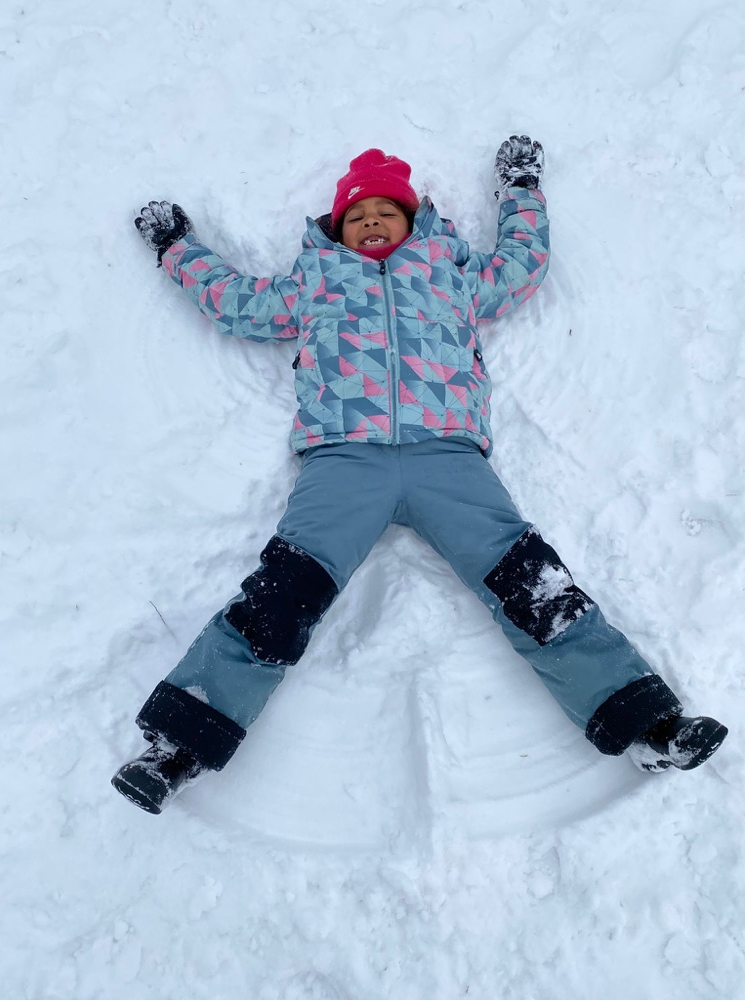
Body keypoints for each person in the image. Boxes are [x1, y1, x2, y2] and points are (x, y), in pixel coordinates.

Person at [112, 138, 727, 814]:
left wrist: (520, 190)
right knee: (282, 595)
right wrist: (177, 247)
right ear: (337, 229)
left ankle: (646, 725)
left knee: (532, 585)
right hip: (344, 462)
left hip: (448, 461)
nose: (371, 221)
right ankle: (176, 747)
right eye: (357, 216)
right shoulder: (315, 281)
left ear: (412, 221)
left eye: (386, 212)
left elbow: (520, 266)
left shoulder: (448, 272)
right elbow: (237, 303)